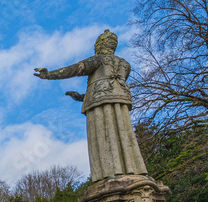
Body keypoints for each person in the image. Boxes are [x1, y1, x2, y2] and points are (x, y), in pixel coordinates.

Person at [34, 29, 148, 182]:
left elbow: (75, 69)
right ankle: (132, 169)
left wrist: (49, 75)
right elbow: (108, 83)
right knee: (123, 133)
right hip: (120, 100)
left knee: (103, 136)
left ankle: (109, 174)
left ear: (100, 45)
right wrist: (82, 97)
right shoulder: (124, 64)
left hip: (99, 104)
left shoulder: (99, 60)